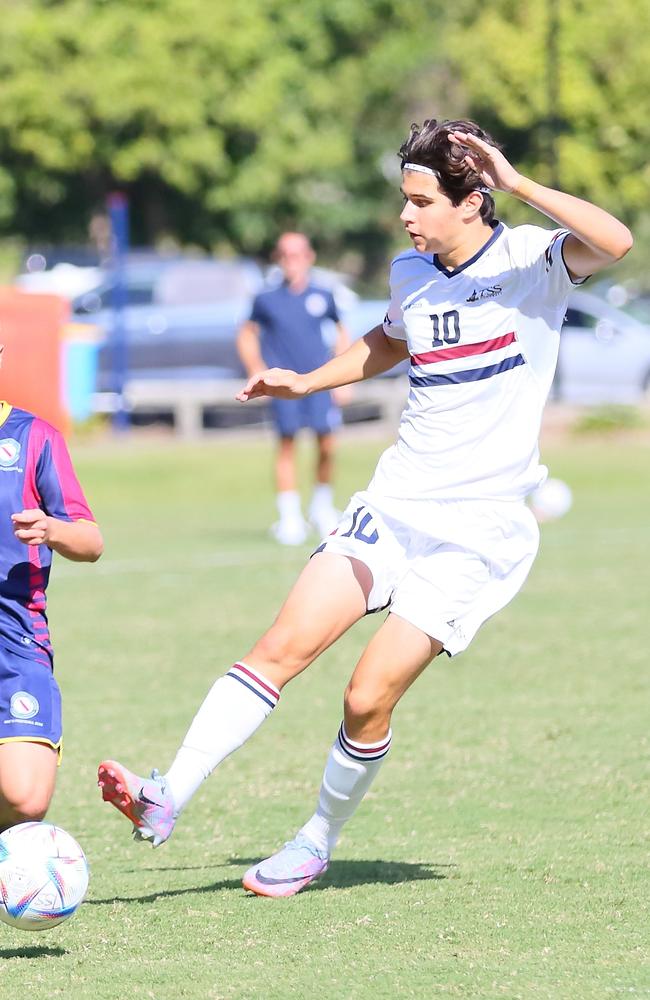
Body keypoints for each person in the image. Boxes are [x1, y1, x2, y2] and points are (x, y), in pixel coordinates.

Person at [98, 118, 632, 895]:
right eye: (405, 200)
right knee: (280, 644)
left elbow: (615, 242)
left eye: (422, 201)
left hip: (476, 533)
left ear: (471, 200)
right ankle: (166, 797)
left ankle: (315, 839)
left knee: (365, 696)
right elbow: (392, 339)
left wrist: (516, 183)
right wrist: (308, 380)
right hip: (396, 500)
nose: (408, 216)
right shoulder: (410, 272)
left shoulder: (532, 260)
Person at [0, 345, 103, 831]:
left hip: (15, 638)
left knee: (26, 799)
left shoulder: (34, 437)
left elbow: (91, 540)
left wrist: (52, 529)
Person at [236, 232, 350, 544]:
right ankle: (289, 517)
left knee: (327, 443)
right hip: (283, 386)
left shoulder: (323, 295)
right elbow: (246, 334)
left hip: (318, 382)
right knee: (287, 444)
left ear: (309, 257)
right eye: (286, 255)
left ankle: (321, 507)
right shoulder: (266, 299)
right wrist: (256, 370)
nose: (292, 261)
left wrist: (342, 376)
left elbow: (342, 332)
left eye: (297, 254)